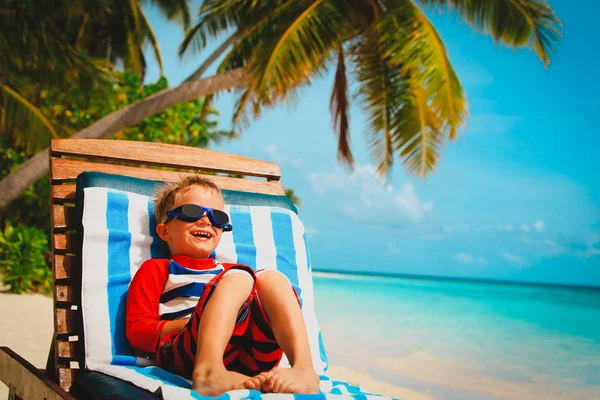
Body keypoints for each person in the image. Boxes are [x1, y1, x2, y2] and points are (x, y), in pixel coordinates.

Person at [125, 175, 319, 396]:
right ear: (164, 231)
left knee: (271, 279)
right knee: (240, 278)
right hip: (186, 353)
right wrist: (196, 323)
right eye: (191, 212)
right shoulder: (157, 269)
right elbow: (137, 330)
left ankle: (304, 368)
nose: (206, 221)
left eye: (217, 216)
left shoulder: (230, 273)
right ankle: (209, 372)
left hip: (247, 360)